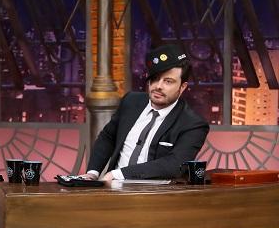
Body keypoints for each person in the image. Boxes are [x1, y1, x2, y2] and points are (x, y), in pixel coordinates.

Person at [83, 44, 209, 181]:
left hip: (154, 197)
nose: (158, 86)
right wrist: (92, 173)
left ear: (182, 87)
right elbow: (108, 137)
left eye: (168, 81)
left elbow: (175, 164)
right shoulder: (130, 101)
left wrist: (118, 174)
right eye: (155, 79)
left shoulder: (193, 124)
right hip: (113, 191)